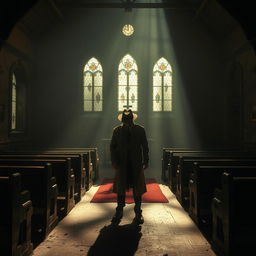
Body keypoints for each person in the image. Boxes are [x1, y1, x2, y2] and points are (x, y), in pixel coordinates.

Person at [110, 108, 149, 224]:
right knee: (121, 188)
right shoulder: (117, 131)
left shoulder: (140, 130)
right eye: (125, 120)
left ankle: (138, 212)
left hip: (136, 162)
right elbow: (113, 147)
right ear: (122, 120)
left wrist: (146, 160)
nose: (127, 122)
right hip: (122, 163)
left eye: (129, 119)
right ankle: (119, 210)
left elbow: (145, 147)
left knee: (138, 188)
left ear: (132, 119)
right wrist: (114, 161)